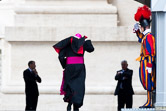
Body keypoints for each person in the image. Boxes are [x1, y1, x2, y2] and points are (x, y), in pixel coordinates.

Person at [53, 33, 94, 111]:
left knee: (69, 85)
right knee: (79, 86)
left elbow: (60, 56)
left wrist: (65, 65)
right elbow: (91, 49)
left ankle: (69, 103)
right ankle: (76, 106)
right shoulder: (83, 43)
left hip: (69, 67)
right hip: (80, 67)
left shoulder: (68, 44)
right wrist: (88, 41)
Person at [133, 5, 156, 108]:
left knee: (149, 82)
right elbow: (141, 39)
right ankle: (148, 101)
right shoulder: (146, 36)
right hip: (144, 61)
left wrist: (150, 65)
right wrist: (137, 31)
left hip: (147, 62)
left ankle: (149, 102)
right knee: (146, 82)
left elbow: (150, 52)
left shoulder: (149, 36)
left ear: (143, 26)